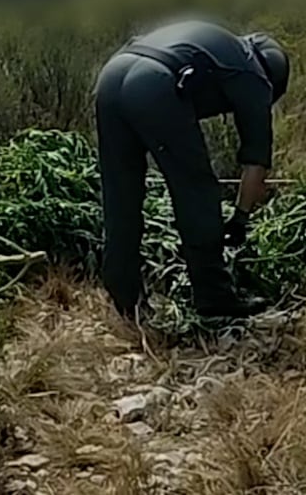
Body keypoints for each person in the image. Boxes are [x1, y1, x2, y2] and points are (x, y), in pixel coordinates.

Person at [93, 19, 290, 321]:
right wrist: (240, 219)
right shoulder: (256, 77)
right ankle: (214, 295)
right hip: (154, 84)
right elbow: (256, 165)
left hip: (112, 74)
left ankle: (124, 297)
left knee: (121, 192)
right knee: (196, 190)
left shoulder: (226, 47)